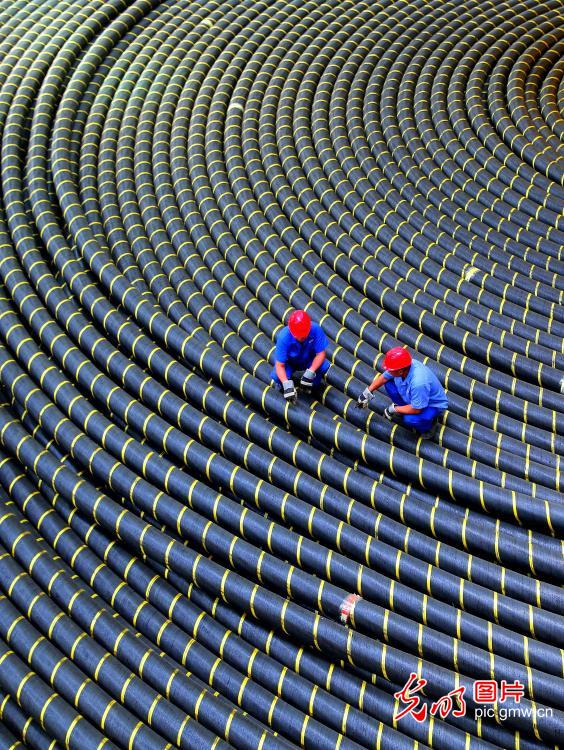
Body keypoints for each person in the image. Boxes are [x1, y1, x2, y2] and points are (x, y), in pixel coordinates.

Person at [357, 347, 448, 439]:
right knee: (388, 384)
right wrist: (367, 392)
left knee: (410, 419)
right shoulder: (404, 366)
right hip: (414, 397)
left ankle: (429, 426)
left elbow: (417, 409)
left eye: (390, 370)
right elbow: (384, 377)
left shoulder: (419, 382)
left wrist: (393, 409)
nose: (388, 371)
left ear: (400, 371)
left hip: (430, 405)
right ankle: (404, 408)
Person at [271, 310, 330, 402]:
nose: (303, 338)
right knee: (276, 375)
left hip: (308, 359)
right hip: (290, 363)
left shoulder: (316, 329)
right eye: (300, 336)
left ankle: (312, 386)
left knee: (324, 366)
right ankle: (283, 386)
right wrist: (285, 383)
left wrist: (311, 371)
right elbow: (280, 365)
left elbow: (321, 354)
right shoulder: (284, 337)